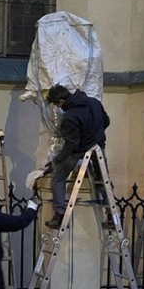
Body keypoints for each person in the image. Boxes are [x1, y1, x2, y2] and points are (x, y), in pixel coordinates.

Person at [43, 84, 111, 229]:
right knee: (104, 181)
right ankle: (112, 215)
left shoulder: (70, 116)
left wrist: (56, 161)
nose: (58, 108)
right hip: (99, 147)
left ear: (60, 101)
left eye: (56, 105)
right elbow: (106, 121)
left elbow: (71, 144)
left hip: (80, 150)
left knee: (58, 179)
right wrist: (95, 135)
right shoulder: (94, 102)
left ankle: (60, 216)